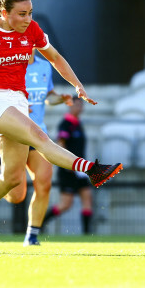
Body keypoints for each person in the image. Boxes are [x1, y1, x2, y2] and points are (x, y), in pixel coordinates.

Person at [0, 0, 123, 246]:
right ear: (4, 13)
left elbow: (55, 57)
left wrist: (77, 85)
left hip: (18, 99)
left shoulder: (32, 30)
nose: (28, 19)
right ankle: (91, 170)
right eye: (21, 14)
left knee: (12, 181)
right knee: (40, 137)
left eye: (30, 13)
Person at [0, 49, 72, 246]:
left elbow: (47, 96)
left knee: (44, 182)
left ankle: (32, 236)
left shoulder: (44, 66)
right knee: (16, 195)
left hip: (38, 134)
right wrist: (17, 107)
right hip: (11, 133)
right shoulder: (6, 63)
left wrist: (61, 98)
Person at [43, 96, 95, 234]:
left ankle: (87, 234)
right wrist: (67, 164)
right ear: (70, 106)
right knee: (66, 204)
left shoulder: (78, 123)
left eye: (80, 105)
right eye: (76, 105)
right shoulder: (66, 123)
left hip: (80, 170)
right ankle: (41, 222)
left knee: (87, 197)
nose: (79, 108)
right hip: (68, 170)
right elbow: (61, 144)